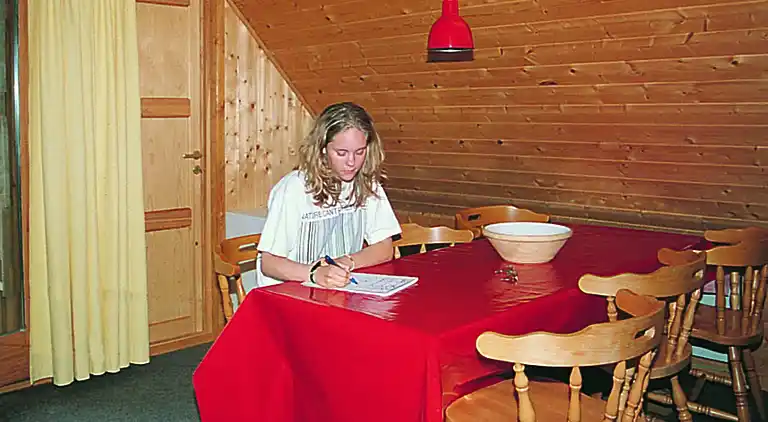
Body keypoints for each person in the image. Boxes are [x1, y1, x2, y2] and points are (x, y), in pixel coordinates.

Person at [256, 102, 402, 289]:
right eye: (341, 153)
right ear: (322, 149)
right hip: (287, 292)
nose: (352, 162)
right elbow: (269, 263)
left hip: (336, 290)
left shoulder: (366, 182)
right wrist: (314, 273)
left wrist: (347, 262)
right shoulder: (294, 188)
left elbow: (384, 247)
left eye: (360, 152)